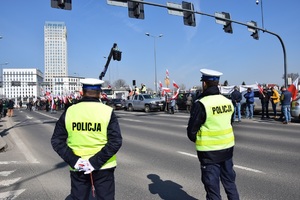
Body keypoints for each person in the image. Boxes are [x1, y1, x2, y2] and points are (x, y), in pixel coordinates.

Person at [51, 78, 123, 200]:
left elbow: (57, 141)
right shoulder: (107, 111)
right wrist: (94, 162)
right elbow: (115, 141)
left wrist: (75, 161)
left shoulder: (70, 111)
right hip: (104, 166)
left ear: (82, 92)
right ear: (100, 93)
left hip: (78, 166)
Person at [187, 69, 239, 200]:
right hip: (227, 149)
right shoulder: (227, 102)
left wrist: (202, 139)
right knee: (230, 184)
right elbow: (229, 122)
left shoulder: (202, 103)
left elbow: (191, 132)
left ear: (204, 84)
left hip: (209, 153)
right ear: (217, 83)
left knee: (213, 189)